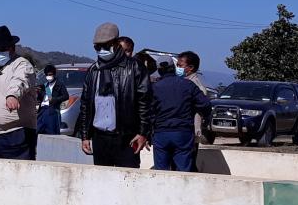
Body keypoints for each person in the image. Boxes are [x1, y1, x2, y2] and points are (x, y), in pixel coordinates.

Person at [75, 22, 153, 168]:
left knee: (127, 178)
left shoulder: (135, 67)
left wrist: (143, 133)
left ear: (116, 44)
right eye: (97, 47)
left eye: (105, 46)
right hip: (100, 138)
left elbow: (145, 102)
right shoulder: (94, 70)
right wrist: (85, 136)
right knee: (102, 179)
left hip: (126, 138)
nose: (102, 50)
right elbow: (85, 104)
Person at [0, 26, 39, 160]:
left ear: (12, 48)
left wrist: (13, 95)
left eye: (2, 49)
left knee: (18, 172)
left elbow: (20, 81)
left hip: (16, 135)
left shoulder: (21, 64)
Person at [150, 61, 211, 171]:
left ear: (159, 70)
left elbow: (148, 111)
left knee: (160, 173)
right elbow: (205, 104)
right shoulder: (188, 84)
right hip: (183, 133)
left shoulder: (155, 87)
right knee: (183, 172)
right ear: (173, 68)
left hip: (161, 133)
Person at [36, 64, 69, 135]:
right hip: (42, 110)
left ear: (54, 74)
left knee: (51, 132)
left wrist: (55, 99)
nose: (49, 76)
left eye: (50, 74)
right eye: (47, 75)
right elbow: (41, 98)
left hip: (52, 110)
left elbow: (66, 96)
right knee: (38, 130)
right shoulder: (45, 85)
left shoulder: (59, 85)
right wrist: (38, 93)